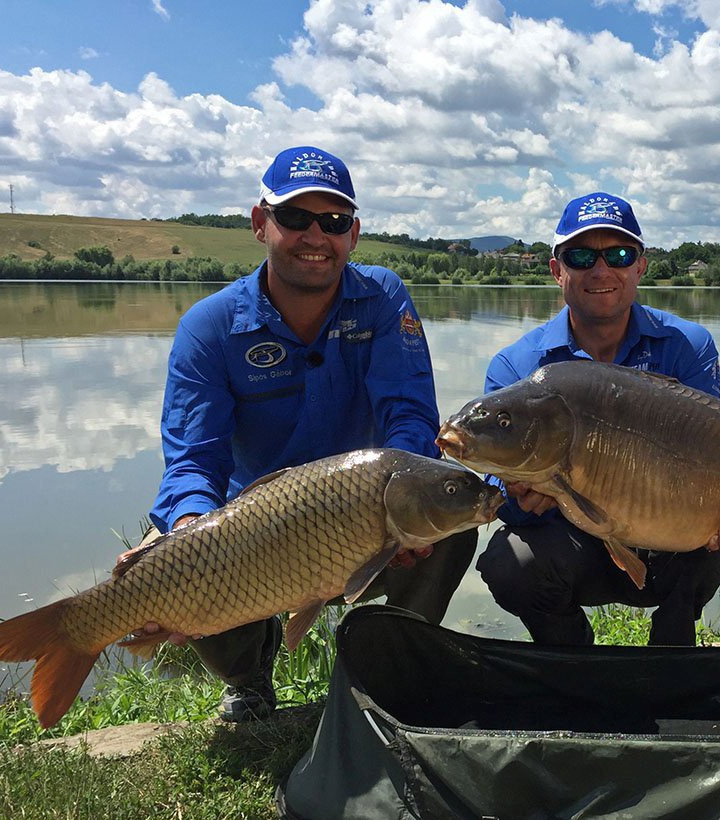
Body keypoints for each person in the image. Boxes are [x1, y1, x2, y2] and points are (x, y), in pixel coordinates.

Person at [127, 145, 477, 722]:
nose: (316, 235)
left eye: (334, 222)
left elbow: (409, 418)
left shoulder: (384, 298)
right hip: (252, 527)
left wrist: (410, 509)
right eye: (295, 218)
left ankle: (380, 675)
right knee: (184, 549)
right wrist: (186, 529)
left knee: (450, 519)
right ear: (260, 222)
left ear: (354, 234)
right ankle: (247, 682)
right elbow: (193, 459)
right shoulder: (209, 327)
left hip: (365, 516)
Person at [475, 192, 720, 646]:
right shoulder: (515, 367)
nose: (601, 271)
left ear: (640, 266)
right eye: (581, 256)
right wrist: (516, 498)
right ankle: (573, 665)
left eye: (619, 255)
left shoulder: (687, 345)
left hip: (668, 537)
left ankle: (673, 654)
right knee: (511, 562)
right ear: (556, 269)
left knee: (710, 542)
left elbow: (714, 454)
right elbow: (502, 496)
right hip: (572, 544)